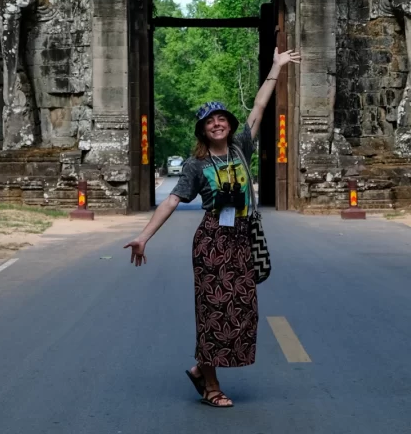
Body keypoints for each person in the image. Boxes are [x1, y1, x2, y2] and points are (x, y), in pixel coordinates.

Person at [124, 43, 301, 408]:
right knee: (213, 311)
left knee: (242, 310)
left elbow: (260, 107)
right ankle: (212, 386)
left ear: (229, 125)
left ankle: (200, 369)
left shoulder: (240, 147)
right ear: (202, 131)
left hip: (242, 240)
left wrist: (276, 67)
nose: (217, 123)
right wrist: (143, 237)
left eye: (221, 118)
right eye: (210, 121)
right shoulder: (195, 165)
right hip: (212, 243)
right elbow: (172, 200)